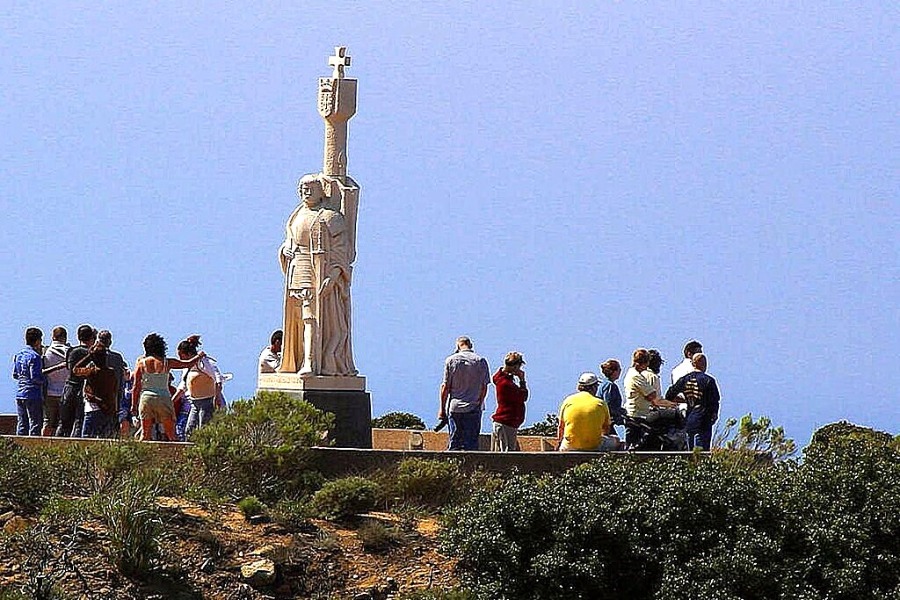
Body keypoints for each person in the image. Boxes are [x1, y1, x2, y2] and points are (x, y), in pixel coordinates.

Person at [279, 174, 356, 376]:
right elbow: (291, 240)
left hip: (318, 273)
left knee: (311, 318)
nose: (306, 191)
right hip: (296, 270)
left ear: (321, 190)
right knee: (297, 320)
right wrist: (285, 250)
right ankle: (295, 360)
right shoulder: (296, 215)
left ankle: (311, 363)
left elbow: (342, 250)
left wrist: (333, 275)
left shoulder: (331, 217)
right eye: (302, 187)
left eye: (310, 187)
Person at [131, 333, 203, 441]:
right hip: (163, 398)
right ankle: (176, 457)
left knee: (145, 435)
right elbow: (187, 364)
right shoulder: (166, 362)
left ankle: (140, 456)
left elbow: (136, 386)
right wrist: (199, 356)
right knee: (171, 435)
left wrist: (133, 405)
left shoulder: (141, 363)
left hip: (146, 398)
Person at [439, 336, 490, 451]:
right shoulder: (481, 361)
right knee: (471, 444)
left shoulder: (450, 360)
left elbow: (445, 387)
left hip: (455, 406)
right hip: (473, 406)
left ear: (457, 346)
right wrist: (479, 403)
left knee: (454, 442)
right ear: (470, 345)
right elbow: (484, 387)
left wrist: (442, 409)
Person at [623, 348, 678, 449]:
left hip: (636, 414)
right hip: (639, 416)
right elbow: (653, 397)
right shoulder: (637, 376)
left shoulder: (634, 374)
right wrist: (673, 405)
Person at [665, 353, 721, 450]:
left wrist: (685, 400)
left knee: (690, 448)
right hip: (704, 418)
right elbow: (715, 400)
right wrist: (714, 414)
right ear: (702, 363)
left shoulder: (685, 379)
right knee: (702, 450)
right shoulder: (709, 380)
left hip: (690, 417)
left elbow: (669, 394)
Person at [172, 335, 222, 438]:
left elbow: (218, 379)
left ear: (189, 354)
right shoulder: (186, 367)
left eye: (181, 355)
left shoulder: (204, 363)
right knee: (190, 430)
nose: (180, 359)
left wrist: (217, 397)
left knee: (204, 429)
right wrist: (172, 401)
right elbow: (183, 386)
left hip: (207, 402)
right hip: (194, 403)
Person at [556, 372, 618, 452]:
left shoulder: (568, 401)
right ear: (593, 387)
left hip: (570, 445)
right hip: (594, 446)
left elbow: (561, 427)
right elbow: (606, 429)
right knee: (616, 440)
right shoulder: (601, 403)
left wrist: (559, 443)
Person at [57, 324, 97, 437]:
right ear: (92, 338)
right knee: (79, 422)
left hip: (69, 387)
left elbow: (69, 367)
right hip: (83, 388)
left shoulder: (71, 351)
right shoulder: (91, 354)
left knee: (63, 423)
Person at [490, 351, 528, 451]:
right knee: (506, 456)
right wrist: (522, 380)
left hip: (508, 423)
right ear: (515, 367)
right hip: (506, 423)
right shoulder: (506, 384)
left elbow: (497, 376)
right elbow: (523, 396)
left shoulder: (502, 379)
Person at [12, 327, 45, 436]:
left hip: (20, 393)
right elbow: (34, 377)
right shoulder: (35, 357)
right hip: (32, 393)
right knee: (35, 423)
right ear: (38, 340)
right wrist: (44, 380)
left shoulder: (19, 355)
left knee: (22, 423)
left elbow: (15, 374)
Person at [98, 330, 128, 436]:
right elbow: (120, 380)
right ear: (110, 342)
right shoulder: (117, 357)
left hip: (97, 396)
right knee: (111, 427)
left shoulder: (93, 355)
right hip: (113, 396)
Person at [41, 326, 70, 436]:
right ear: (65, 338)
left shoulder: (46, 351)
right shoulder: (69, 352)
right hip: (65, 392)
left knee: (47, 421)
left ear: (53, 337)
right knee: (62, 422)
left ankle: (41, 443)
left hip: (49, 392)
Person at [599, 359, 624, 436]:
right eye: (619, 369)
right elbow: (608, 405)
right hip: (605, 422)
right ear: (614, 371)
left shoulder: (603, 384)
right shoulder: (610, 386)